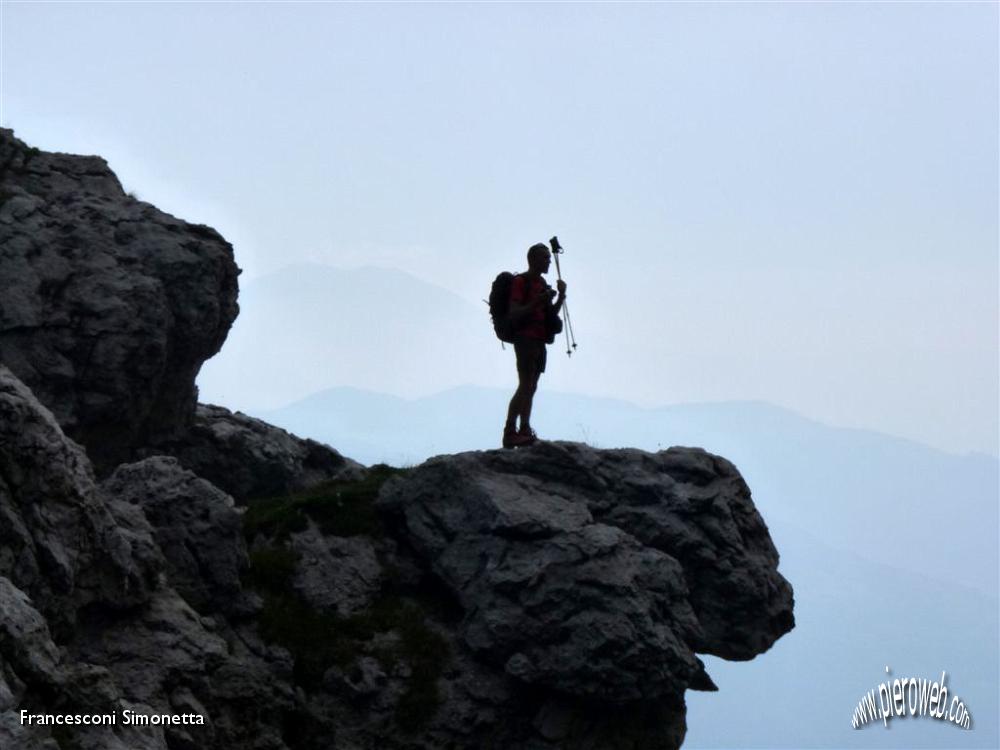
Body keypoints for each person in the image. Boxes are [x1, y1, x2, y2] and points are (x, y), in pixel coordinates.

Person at [503, 242, 567, 448]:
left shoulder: (541, 285)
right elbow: (515, 312)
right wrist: (538, 301)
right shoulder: (522, 282)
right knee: (525, 384)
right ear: (533, 260)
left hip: (539, 339)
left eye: (549, 258)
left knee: (532, 386)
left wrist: (561, 296)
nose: (549, 261)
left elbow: (550, 315)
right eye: (545, 258)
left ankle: (524, 429)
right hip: (526, 338)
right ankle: (511, 431)